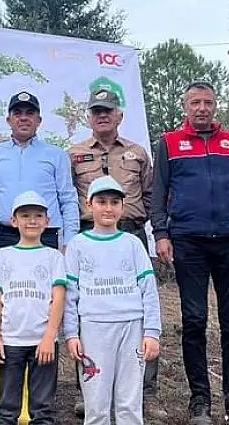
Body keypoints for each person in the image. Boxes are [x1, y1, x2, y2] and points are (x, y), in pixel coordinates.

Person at [149, 81, 229, 425]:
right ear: (185, 106)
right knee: (194, 322)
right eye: (195, 102)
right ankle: (199, 401)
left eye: (208, 102)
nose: (201, 108)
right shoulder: (169, 143)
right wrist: (161, 234)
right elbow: (159, 194)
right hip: (188, 242)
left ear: (216, 106)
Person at [0, 91, 80, 425]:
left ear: (39, 120)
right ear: (8, 119)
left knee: (39, 306)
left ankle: (32, 403)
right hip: (0, 237)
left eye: (30, 113)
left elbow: (67, 198)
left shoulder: (56, 155)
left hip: (45, 238)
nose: (23, 117)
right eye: (17, 112)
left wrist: (70, 244)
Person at [66, 87, 160, 417]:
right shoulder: (75, 153)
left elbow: (150, 193)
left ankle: (143, 391)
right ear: (89, 117)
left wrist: (137, 218)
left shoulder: (137, 152)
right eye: (96, 111)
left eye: (108, 110)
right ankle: (89, 391)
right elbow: (68, 196)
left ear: (119, 115)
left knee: (137, 312)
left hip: (130, 232)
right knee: (91, 323)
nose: (102, 115)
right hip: (88, 235)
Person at [64, 176, 162, 425]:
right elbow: (70, 294)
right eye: (102, 202)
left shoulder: (132, 244)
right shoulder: (78, 245)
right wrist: (71, 334)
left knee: (129, 401)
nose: (108, 208)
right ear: (89, 204)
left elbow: (148, 289)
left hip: (132, 327)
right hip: (93, 329)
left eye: (114, 202)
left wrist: (152, 331)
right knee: (96, 402)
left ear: (122, 206)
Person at [0, 191, 67, 425]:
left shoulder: (53, 257)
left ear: (47, 221)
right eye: (25, 215)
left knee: (42, 409)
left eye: (38, 215)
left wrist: (49, 337)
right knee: (7, 409)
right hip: (10, 341)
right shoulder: (3, 255)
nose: (32, 221)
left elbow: (58, 296)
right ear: (14, 221)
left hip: (42, 342)